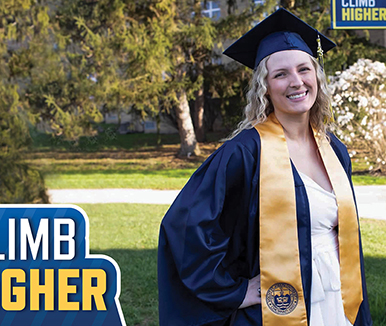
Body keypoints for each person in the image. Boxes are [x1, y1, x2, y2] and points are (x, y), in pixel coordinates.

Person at [158, 8, 372, 326]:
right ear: (265, 87)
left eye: (304, 69)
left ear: (317, 76)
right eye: (280, 74)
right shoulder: (244, 153)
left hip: (337, 293)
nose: (296, 81)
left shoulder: (333, 148)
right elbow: (185, 225)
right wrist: (234, 290)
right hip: (281, 303)